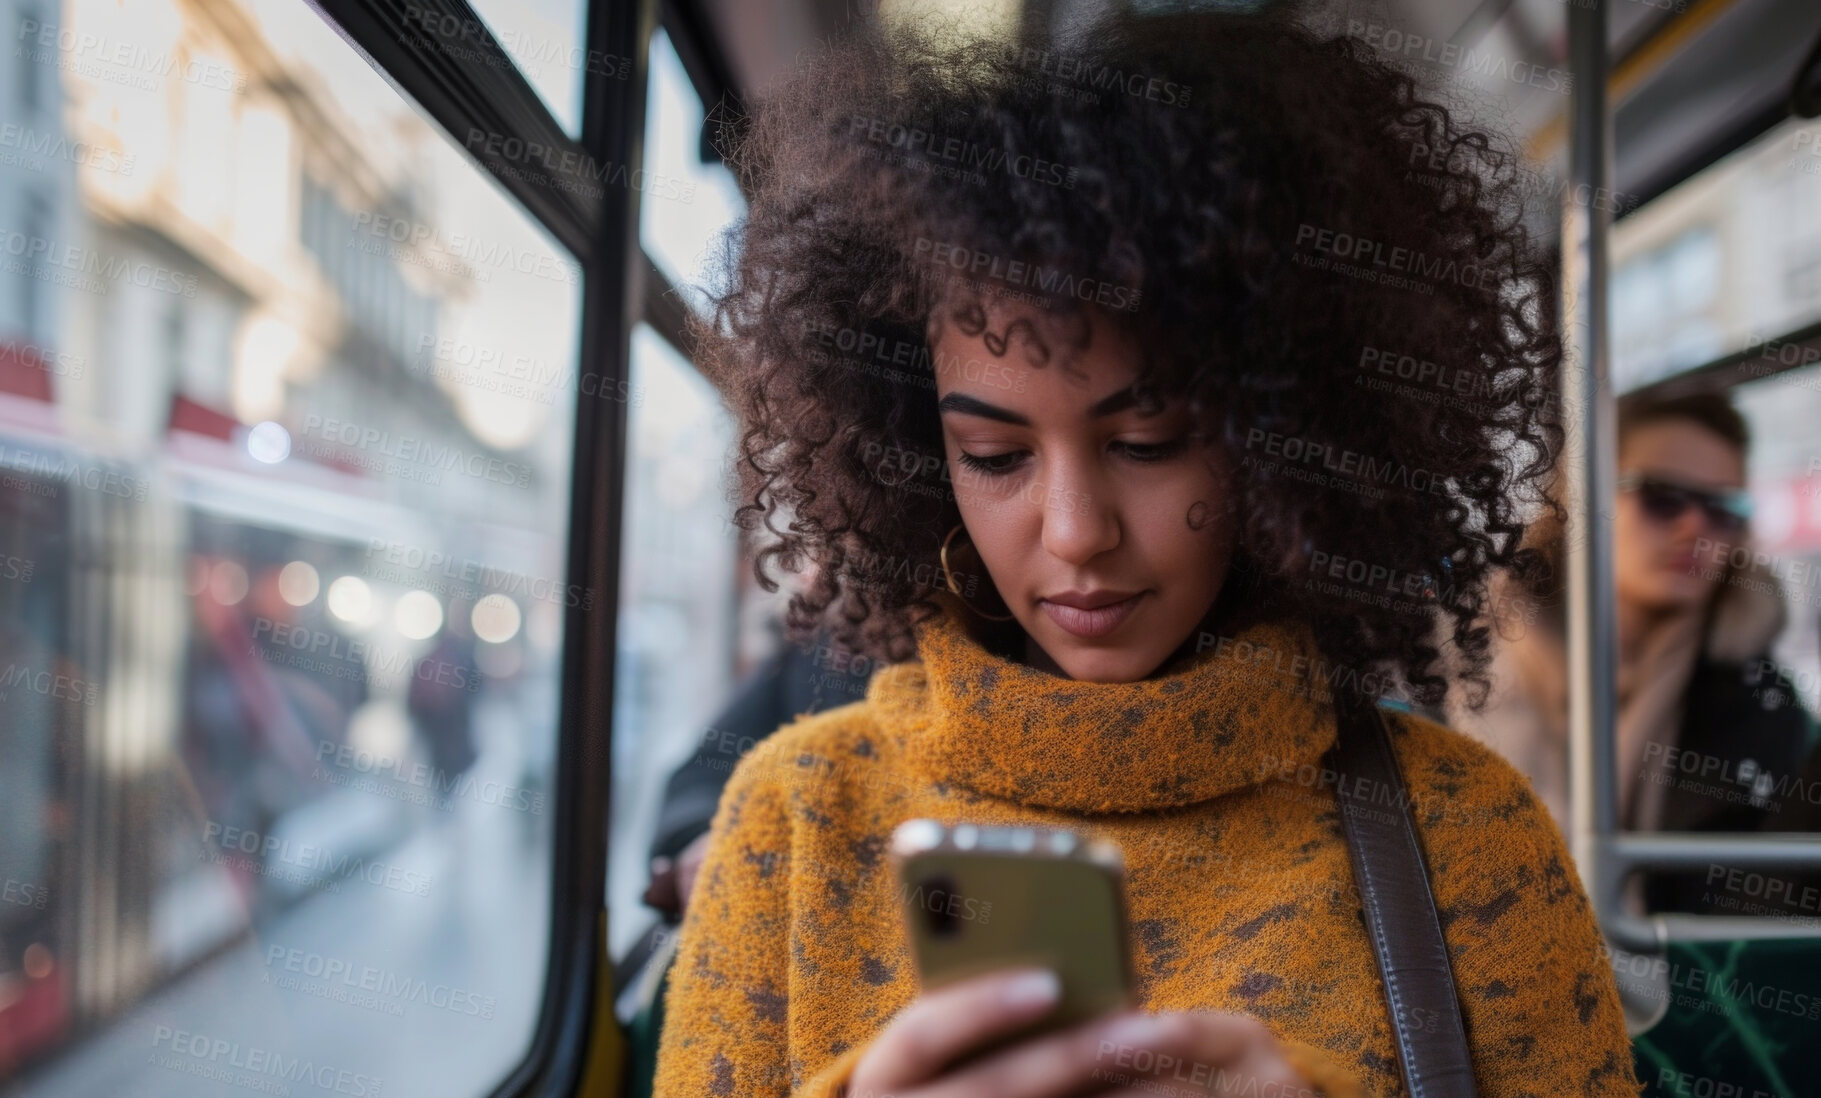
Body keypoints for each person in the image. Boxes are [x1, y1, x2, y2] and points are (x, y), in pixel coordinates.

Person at [653, 7, 1637, 1097]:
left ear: (1280, 446)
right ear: (918, 455)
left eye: (1147, 443)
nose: (1076, 532)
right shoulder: (792, 822)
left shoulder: (1467, 834)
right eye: (992, 453)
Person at [1452, 391, 1818, 912]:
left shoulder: (1755, 698)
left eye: (1725, 510)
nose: (1695, 529)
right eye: (1662, 497)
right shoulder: (1456, 660)